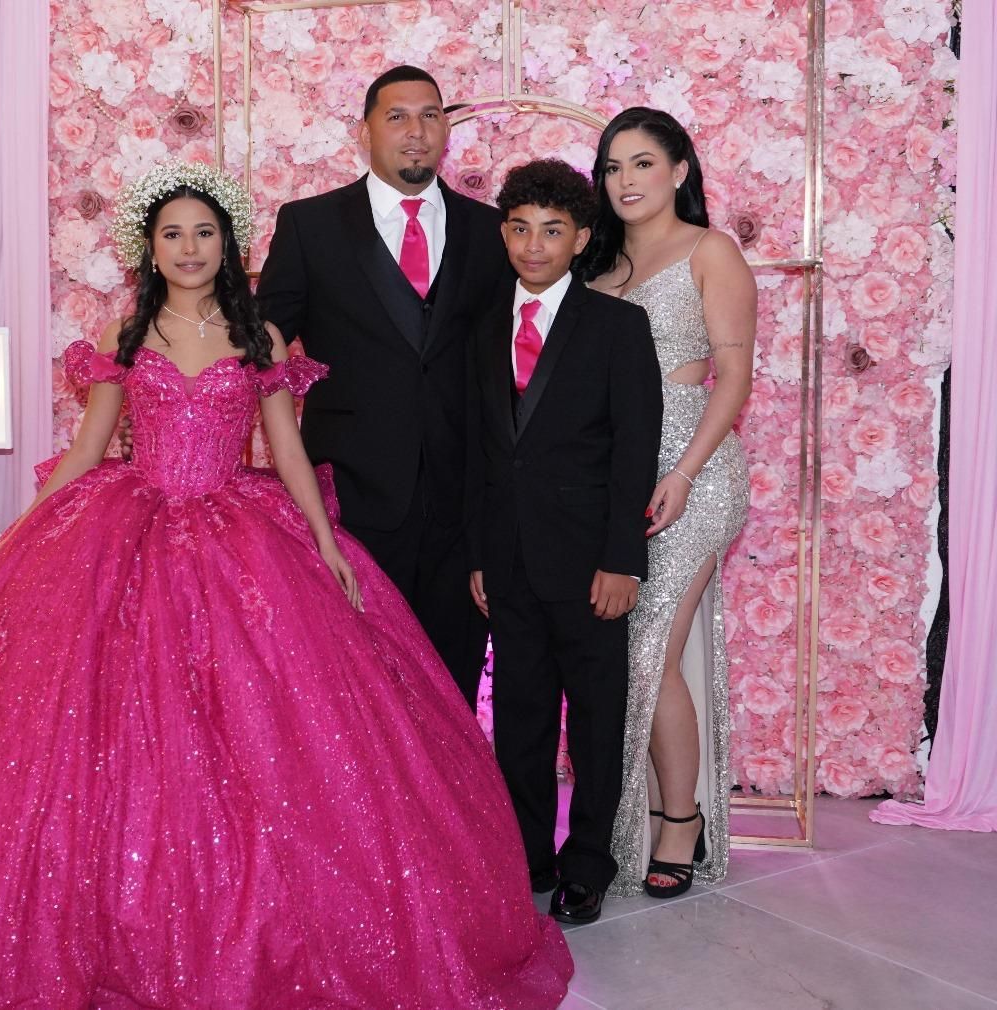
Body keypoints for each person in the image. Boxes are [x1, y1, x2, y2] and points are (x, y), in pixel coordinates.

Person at [0, 160, 572, 1009]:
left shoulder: (261, 338)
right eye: (173, 235)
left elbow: (287, 450)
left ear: (227, 246)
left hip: (240, 535)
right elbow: (90, 450)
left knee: (275, 732)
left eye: (204, 233)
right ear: (149, 251)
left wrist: (324, 540)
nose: (190, 248)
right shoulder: (129, 337)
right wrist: (26, 529)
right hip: (129, 528)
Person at [256, 65, 512, 708]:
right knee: (357, 690)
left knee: (451, 687)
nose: (416, 131)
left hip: (461, 502)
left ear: (446, 130)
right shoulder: (309, 226)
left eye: (430, 115)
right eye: (397, 116)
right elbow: (260, 344)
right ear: (365, 131)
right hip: (353, 497)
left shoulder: (492, 232)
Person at [467, 160, 663, 925]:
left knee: (594, 720)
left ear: (581, 238)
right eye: (519, 228)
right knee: (518, 717)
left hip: (590, 565)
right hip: (510, 560)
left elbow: (633, 451)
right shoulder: (482, 326)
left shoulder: (618, 326)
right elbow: (483, 455)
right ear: (503, 233)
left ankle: (588, 864)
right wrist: (482, 551)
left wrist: (623, 558)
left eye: (552, 230)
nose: (533, 244)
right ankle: (527, 854)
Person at [581, 107, 754, 899]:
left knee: (650, 646)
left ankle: (678, 820)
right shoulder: (594, 266)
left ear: (680, 170)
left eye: (643, 164)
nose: (626, 182)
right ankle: (638, 813)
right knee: (622, 654)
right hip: (612, 480)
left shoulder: (709, 251)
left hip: (696, 473)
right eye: (614, 168)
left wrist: (684, 472)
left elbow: (734, 377)